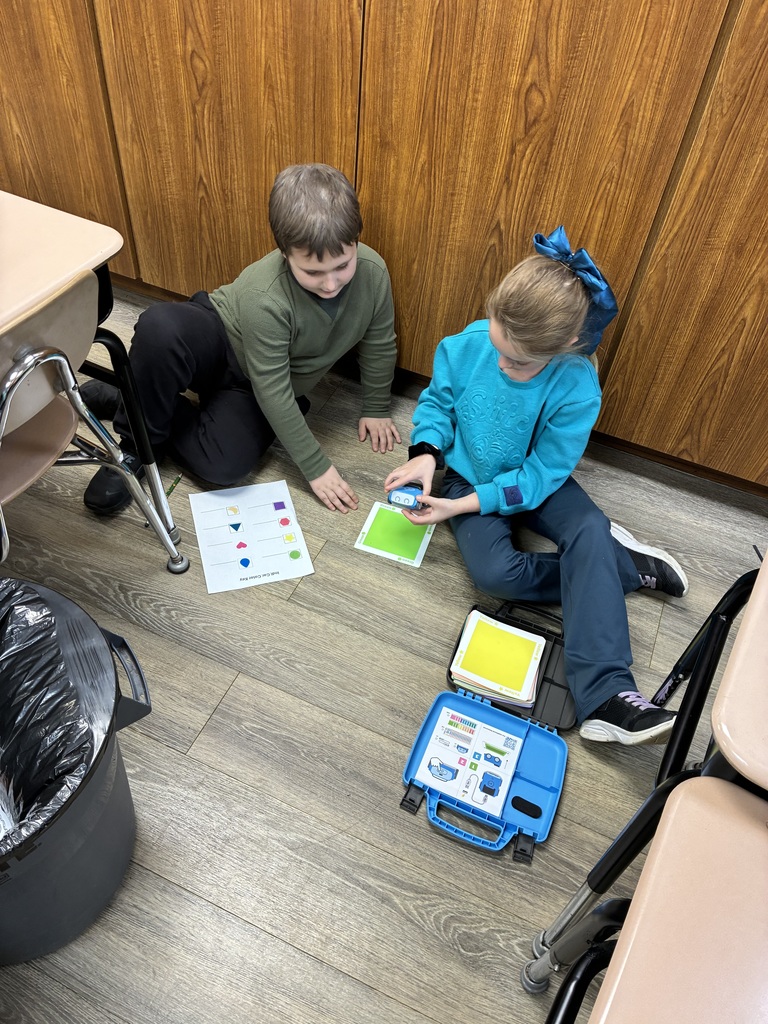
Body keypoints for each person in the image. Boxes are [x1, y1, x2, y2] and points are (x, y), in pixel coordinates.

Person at [384, 228, 689, 746]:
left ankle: (608, 695)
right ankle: (622, 567)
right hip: (463, 474)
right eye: (498, 347)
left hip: (533, 482)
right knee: (494, 573)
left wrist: (467, 504)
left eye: (519, 362)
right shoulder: (473, 343)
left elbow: (543, 474)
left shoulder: (575, 384)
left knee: (589, 526)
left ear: (567, 344)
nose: (502, 363)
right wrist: (425, 456)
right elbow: (437, 402)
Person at [82, 163, 401, 515]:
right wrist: (316, 467)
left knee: (222, 467)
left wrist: (375, 406)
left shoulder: (374, 273)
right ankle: (136, 445)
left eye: (342, 265)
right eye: (312, 272)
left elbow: (380, 342)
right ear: (285, 254)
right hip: (219, 336)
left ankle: (128, 399)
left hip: (255, 384)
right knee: (161, 328)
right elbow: (273, 387)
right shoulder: (265, 295)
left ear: (355, 242)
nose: (330, 284)